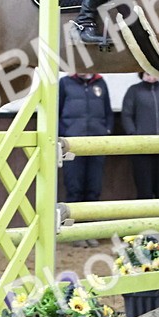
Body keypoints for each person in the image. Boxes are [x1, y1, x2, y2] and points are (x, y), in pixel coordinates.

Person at [59, 72, 113, 246]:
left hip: (96, 145)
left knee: (93, 189)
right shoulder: (65, 83)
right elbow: (56, 112)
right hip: (72, 146)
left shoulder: (101, 83)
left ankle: (90, 232)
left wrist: (106, 131)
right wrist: (64, 135)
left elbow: (108, 112)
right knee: (74, 188)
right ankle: (74, 234)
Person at [121, 73, 159, 199]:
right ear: (141, 74)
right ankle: (145, 217)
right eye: (147, 73)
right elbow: (127, 115)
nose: (151, 77)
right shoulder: (134, 91)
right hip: (142, 149)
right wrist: (134, 134)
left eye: (153, 73)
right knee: (144, 189)